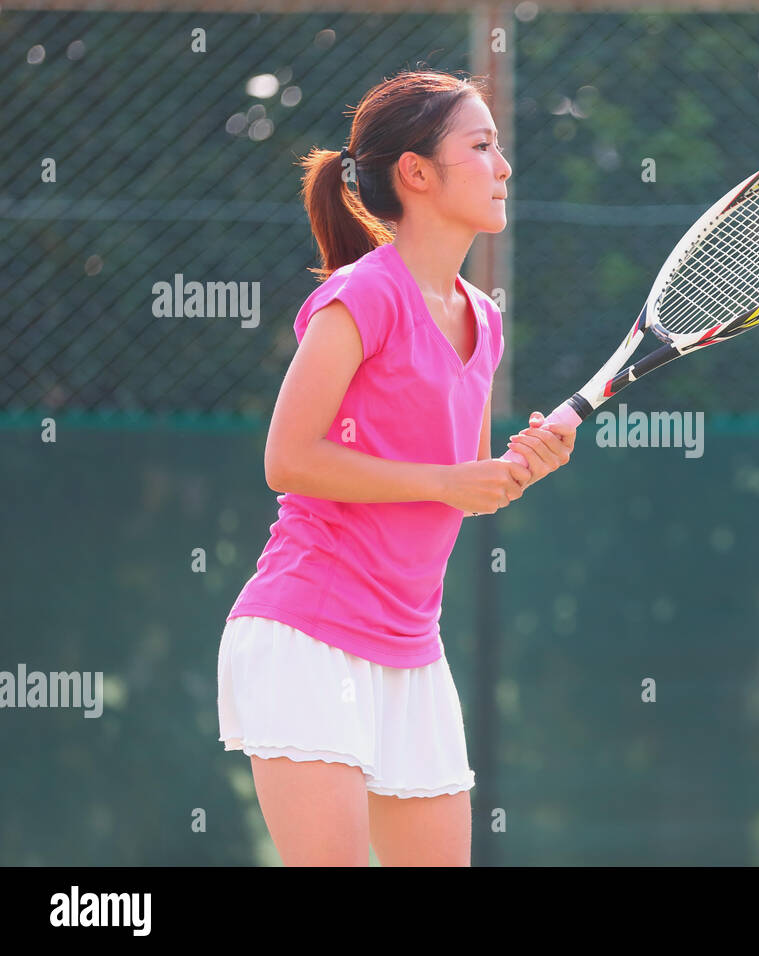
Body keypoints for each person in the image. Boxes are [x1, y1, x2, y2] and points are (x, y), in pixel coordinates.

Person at [216, 69, 574, 866]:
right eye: (481, 147)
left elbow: (461, 484)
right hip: (306, 635)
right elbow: (289, 458)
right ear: (415, 172)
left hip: (412, 649)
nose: (504, 166)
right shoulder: (362, 297)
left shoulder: (484, 318)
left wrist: (521, 467)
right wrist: (447, 482)